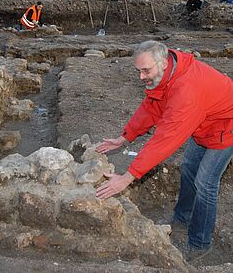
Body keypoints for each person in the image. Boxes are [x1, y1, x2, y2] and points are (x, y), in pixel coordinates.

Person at [96, 40, 233, 262]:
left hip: (226, 127)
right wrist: (123, 138)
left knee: (205, 183)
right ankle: (181, 219)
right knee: (188, 167)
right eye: (138, 71)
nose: (141, 77)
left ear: (162, 62)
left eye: (145, 70)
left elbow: (165, 139)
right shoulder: (167, 73)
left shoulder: (187, 91)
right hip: (204, 123)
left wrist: (127, 177)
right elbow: (152, 107)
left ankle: (200, 243)